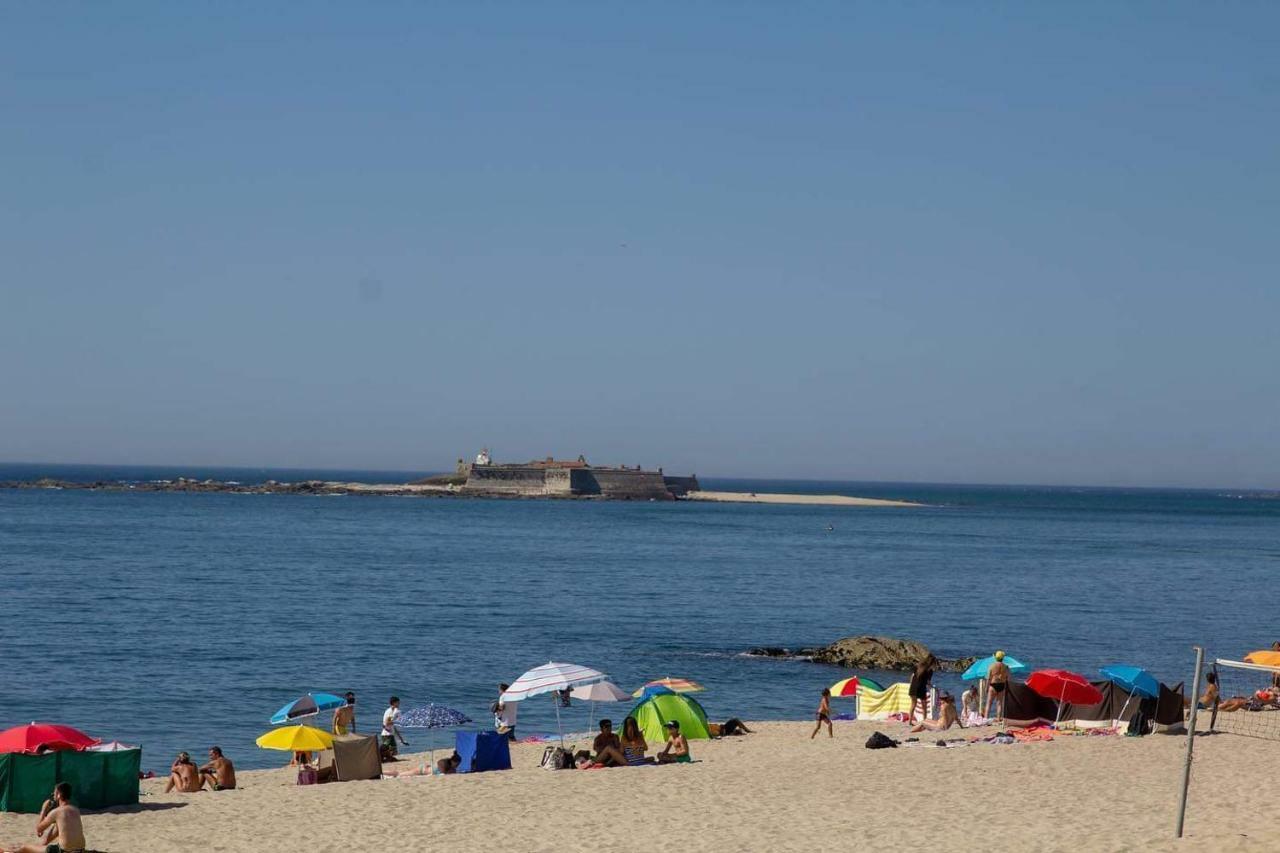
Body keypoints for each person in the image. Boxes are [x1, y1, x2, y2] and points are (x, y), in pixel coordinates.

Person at [2, 782, 86, 853]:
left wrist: (44, 810)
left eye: (54, 793)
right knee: (55, 830)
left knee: (25, 847)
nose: (53, 796)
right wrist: (43, 844)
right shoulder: (75, 810)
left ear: (59, 795)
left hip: (63, 851)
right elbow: (58, 830)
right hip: (80, 850)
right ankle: (41, 846)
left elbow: (39, 829)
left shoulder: (57, 812)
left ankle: (5, 851)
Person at [909, 655, 935, 724]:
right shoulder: (930, 670)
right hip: (921, 688)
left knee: (913, 705)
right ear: (932, 663)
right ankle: (924, 722)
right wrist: (933, 687)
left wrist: (911, 685)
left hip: (913, 687)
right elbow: (928, 682)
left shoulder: (918, 666)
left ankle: (910, 721)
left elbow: (912, 677)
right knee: (924, 706)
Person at [986, 651, 1012, 722]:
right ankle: (998, 718)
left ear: (995, 657)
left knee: (989, 703)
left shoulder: (992, 666)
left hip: (993, 685)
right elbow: (1009, 678)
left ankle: (985, 719)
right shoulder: (1006, 667)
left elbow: (988, 678)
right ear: (1003, 658)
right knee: (999, 703)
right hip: (1002, 685)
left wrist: (986, 688)